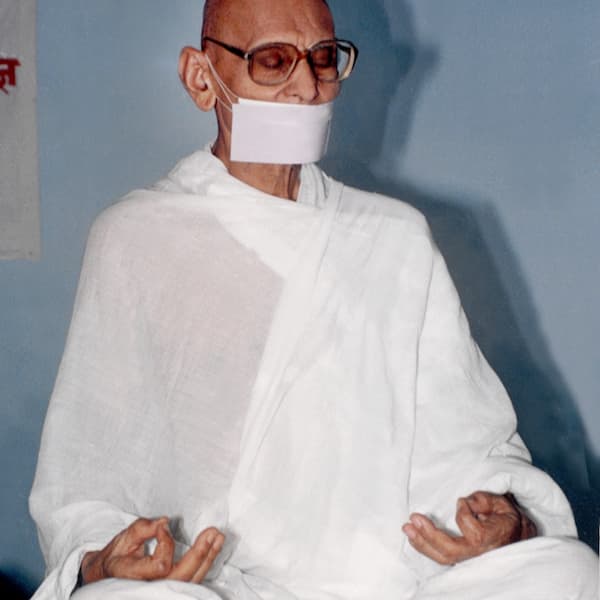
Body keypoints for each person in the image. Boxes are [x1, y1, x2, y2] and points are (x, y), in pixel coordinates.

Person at [30, 0, 598, 599]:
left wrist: (507, 519)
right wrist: (102, 563)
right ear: (203, 79)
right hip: (220, 589)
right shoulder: (136, 237)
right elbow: (84, 481)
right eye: (273, 61)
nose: (306, 87)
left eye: (324, 60)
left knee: (569, 570)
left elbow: (467, 447)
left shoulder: (392, 237)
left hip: (391, 581)